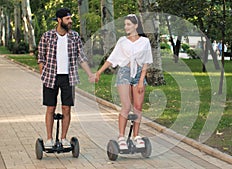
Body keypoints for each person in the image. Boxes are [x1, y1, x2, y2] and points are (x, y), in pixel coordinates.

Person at [37, 8, 96, 148]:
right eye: (67, 19)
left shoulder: (74, 36)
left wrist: (90, 74)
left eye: (70, 18)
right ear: (59, 20)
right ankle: (49, 139)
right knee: (50, 108)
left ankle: (63, 138)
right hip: (50, 77)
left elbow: (81, 57)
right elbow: (41, 58)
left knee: (66, 109)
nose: (70, 21)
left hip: (68, 78)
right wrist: (43, 75)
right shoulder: (47, 36)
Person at [95, 14, 153, 150]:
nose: (126, 27)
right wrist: (99, 72)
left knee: (138, 107)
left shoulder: (144, 42)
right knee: (126, 106)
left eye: (129, 24)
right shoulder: (122, 41)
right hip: (124, 73)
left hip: (139, 74)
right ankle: (121, 136)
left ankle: (136, 136)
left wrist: (140, 81)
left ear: (136, 26)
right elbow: (112, 58)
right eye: (125, 24)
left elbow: (146, 62)